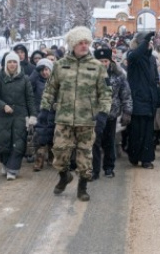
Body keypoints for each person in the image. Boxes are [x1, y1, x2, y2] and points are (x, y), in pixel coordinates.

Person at [40, 27, 111, 201]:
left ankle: (82, 187)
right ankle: (65, 176)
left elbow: (106, 93)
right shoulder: (60, 65)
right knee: (59, 152)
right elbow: (50, 89)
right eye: (80, 42)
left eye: (87, 42)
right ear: (73, 44)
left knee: (85, 155)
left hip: (87, 120)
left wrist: (103, 114)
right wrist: (44, 108)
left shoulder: (97, 67)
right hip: (63, 118)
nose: (84, 46)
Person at [0, 52, 36, 180]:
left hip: (20, 116)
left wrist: (32, 115)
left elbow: (30, 99)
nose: (12, 64)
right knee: (3, 142)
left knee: (18, 143)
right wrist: (3, 105)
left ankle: (13, 169)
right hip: (3, 116)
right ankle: (6, 165)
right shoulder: (0, 77)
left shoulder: (25, 79)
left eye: (15, 62)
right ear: (6, 64)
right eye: (10, 62)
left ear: (18, 64)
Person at [92, 48, 132, 180]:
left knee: (109, 142)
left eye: (105, 61)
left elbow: (125, 95)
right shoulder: (90, 75)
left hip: (111, 114)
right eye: (100, 61)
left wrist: (127, 111)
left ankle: (109, 167)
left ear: (110, 61)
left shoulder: (118, 75)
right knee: (94, 142)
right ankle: (94, 170)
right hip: (94, 115)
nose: (103, 63)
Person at [126, 32, 160, 169]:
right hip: (137, 99)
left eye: (150, 42)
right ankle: (134, 156)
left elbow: (155, 79)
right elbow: (136, 54)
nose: (149, 44)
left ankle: (147, 159)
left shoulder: (152, 59)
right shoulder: (133, 56)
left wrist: (158, 97)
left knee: (148, 132)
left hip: (149, 99)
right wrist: (145, 40)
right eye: (146, 43)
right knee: (136, 131)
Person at [32, 58, 55, 172]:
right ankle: (39, 160)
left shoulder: (55, 83)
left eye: (47, 69)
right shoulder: (35, 82)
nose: (45, 72)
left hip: (53, 113)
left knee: (52, 137)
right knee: (40, 137)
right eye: (42, 70)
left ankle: (51, 156)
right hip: (40, 113)